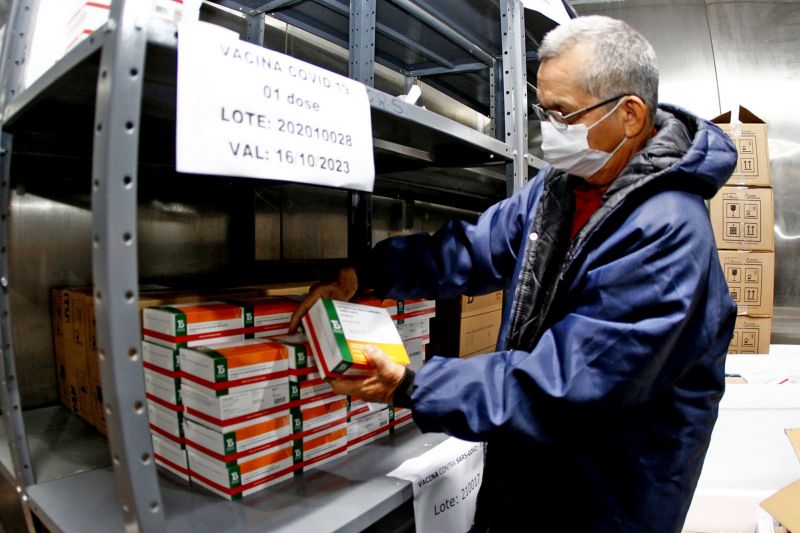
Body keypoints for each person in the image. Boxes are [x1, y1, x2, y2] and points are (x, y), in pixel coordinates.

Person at [289, 15, 737, 532]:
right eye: (542, 111)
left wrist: (414, 386)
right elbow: (474, 249)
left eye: (562, 114)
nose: (549, 131)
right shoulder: (562, 189)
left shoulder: (666, 233)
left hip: (607, 493)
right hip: (533, 470)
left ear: (630, 115)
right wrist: (364, 274)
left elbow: (569, 387)